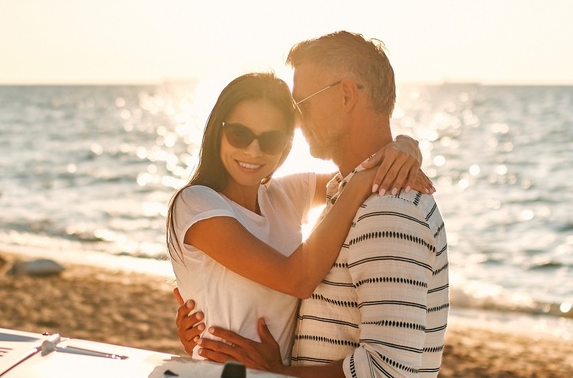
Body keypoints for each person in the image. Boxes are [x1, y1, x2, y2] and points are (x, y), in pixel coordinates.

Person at [182, 33, 449, 378]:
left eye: (301, 103)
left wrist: (279, 376)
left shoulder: (388, 209)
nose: (296, 120)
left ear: (345, 95)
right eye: (239, 133)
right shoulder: (351, 190)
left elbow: (389, 376)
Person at [166, 72, 431, 360]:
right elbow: (298, 280)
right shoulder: (196, 203)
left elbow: (366, 166)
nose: (253, 150)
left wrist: (406, 146)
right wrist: (359, 185)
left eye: (271, 140)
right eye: (239, 134)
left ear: (287, 145)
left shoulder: (283, 195)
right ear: (218, 131)